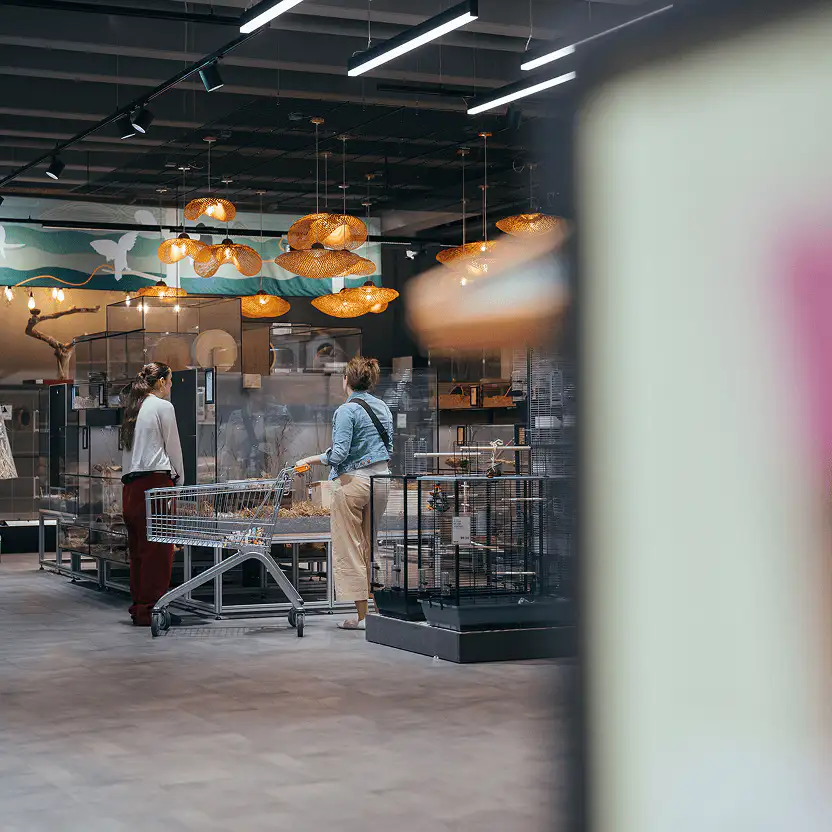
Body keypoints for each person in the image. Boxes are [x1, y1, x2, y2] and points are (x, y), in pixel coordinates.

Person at [296, 356, 393, 630]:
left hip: (354, 482)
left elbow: (338, 454)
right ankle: (376, 611)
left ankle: (362, 618)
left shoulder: (346, 410)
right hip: (383, 479)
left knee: (350, 548)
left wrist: (310, 459)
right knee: (371, 545)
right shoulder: (383, 407)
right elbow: (389, 447)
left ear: (347, 380)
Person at [120, 362, 185, 627]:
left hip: (131, 487)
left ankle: (140, 607)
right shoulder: (162, 407)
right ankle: (153, 611)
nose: (170, 386)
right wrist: (179, 481)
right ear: (160, 382)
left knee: (138, 551)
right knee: (159, 551)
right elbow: (173, 448)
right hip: (155, 483)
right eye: (169, 381)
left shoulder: (134, 408)